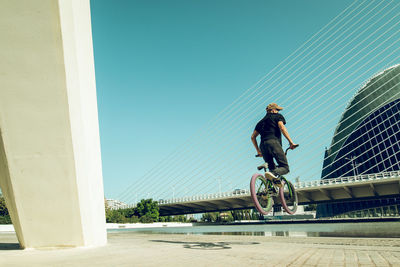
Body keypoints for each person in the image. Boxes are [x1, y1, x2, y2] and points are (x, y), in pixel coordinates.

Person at [251, 103, 298, 185]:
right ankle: (273, 173)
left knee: (271, 168)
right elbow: (282, 128)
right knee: (285, 168)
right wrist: (291, 142)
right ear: (273, 110)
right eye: (277, 110)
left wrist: (258, 151)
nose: (278, 111)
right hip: (273, 143)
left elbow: (253, 137)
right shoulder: (277, 116)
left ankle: (269, 189)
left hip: (263, 146)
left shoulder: (260, 122)